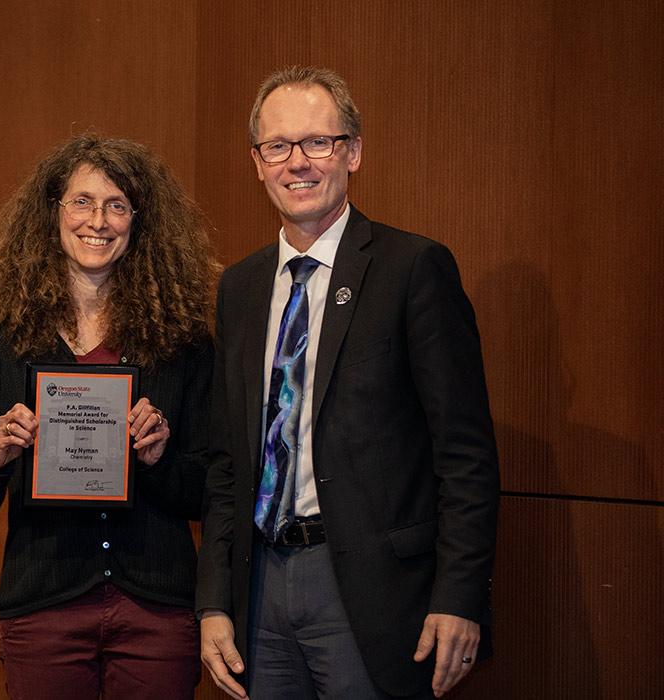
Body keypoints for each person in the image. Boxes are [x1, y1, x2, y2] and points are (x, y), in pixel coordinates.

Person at [196, 66, 500, 699]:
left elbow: (464, 454)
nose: (297, 162)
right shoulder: (241, 288)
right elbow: (228, 462)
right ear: (257, 163)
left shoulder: (412, 269)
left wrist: (460, 596)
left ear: (353, 152)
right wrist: (215, 601)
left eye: (318, 142)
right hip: (261, 591)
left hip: (375, 595)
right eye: (277, 146)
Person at [0, 135, 219, 700]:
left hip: (157, 612)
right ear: (53, 214)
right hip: (43, 610)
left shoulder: (181, 341)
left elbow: (213, 487)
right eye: (82, 202)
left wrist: (160, 459)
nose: (99, 220)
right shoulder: (2, 340)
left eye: (117, 205)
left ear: (140, 221)